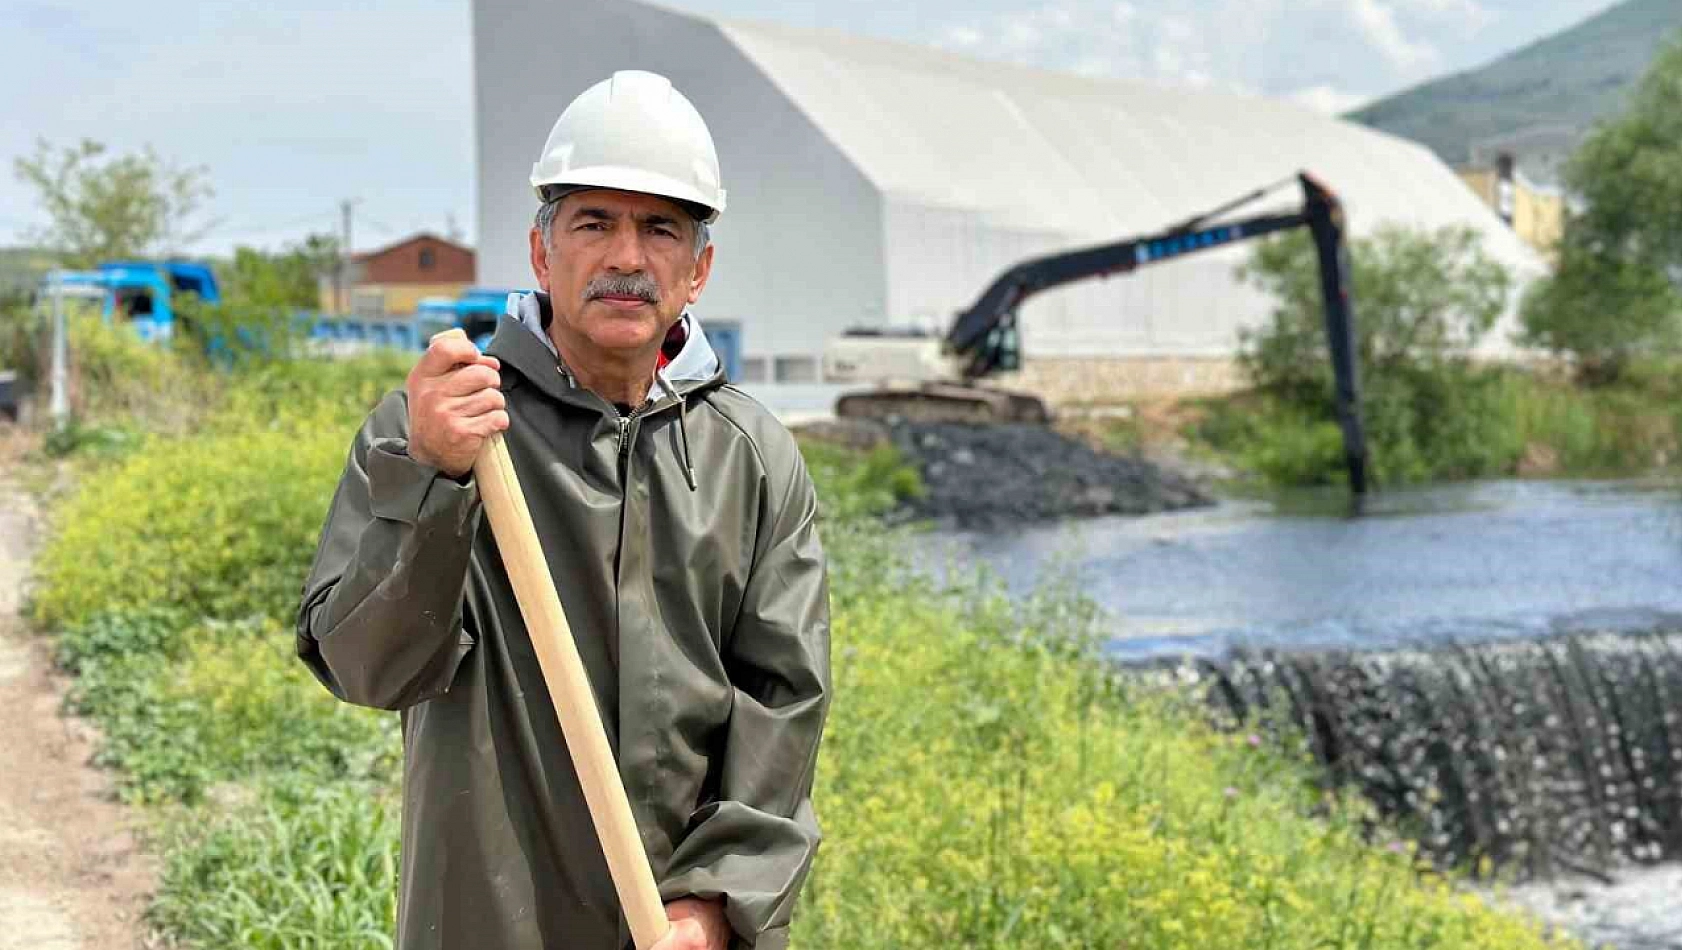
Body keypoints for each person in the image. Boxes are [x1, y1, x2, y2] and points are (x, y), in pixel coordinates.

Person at [296, 70, 830, 950]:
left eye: (660, 228)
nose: (627, 257)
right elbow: (366, 670)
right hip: (487, 921)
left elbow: (781, 702)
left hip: (681, 934)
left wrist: (715, 904)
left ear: (698, 269)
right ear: (543, 254)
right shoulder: (443, 430)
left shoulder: (752, 456)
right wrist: (432, 480)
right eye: (594, 223)